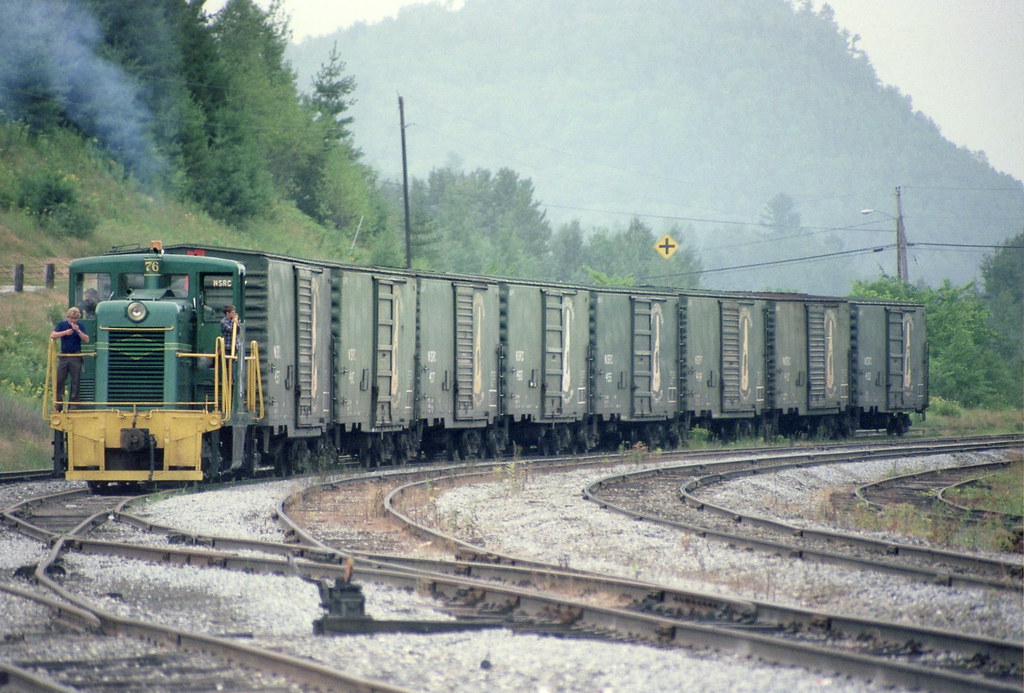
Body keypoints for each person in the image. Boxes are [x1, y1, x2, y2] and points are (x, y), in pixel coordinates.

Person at [50, 307, 90, 410]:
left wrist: (78, 331)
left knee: (76, 381)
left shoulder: (80, 326)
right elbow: (52, 335)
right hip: (64, 356)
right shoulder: (62, 325)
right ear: (68, 317)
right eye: (71, 318)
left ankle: (73, 404)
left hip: (76, 356)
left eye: (75, 319)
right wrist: (64, 333)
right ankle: (59, 403)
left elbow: (86, 339)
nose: (73, 321)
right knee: (60, 380)